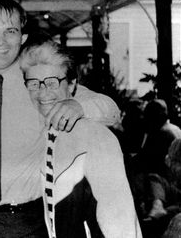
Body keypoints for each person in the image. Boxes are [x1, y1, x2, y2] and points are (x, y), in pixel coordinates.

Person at [0, 0, 121, 237]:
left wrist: (77, 106)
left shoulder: (39, 86)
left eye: (10, 31)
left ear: (23, 37)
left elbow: (111, 110)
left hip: (30, 222)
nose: (0, 41)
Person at [19, 35, 142, 237]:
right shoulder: (37, 129)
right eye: (33, 83)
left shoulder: (96, 138)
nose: (42, 92)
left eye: (52, 82)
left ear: (72, 85)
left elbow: (120, 221)